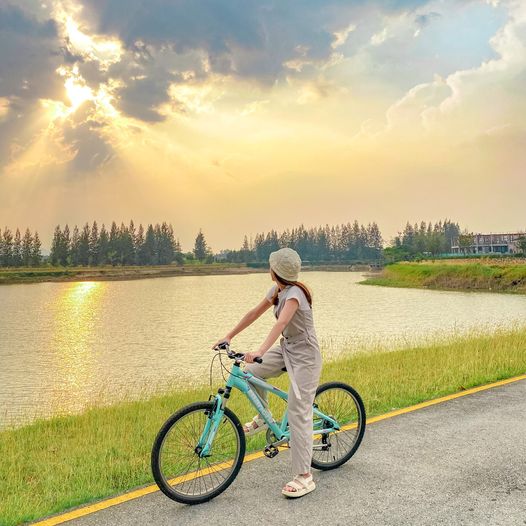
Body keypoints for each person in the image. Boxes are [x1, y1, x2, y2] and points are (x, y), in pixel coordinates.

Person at [211, 247, 323, 498]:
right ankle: (264, 418)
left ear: (276, 271)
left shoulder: (295, 295)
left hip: (305, 356)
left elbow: (281, 323)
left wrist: (260, 349)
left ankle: (305, 477)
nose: (268, 268)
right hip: (287, 349)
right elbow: (253, 313)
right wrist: (229, 335)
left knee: (298, 411)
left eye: (270, 265)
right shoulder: (277, 290)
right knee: (250, 373)